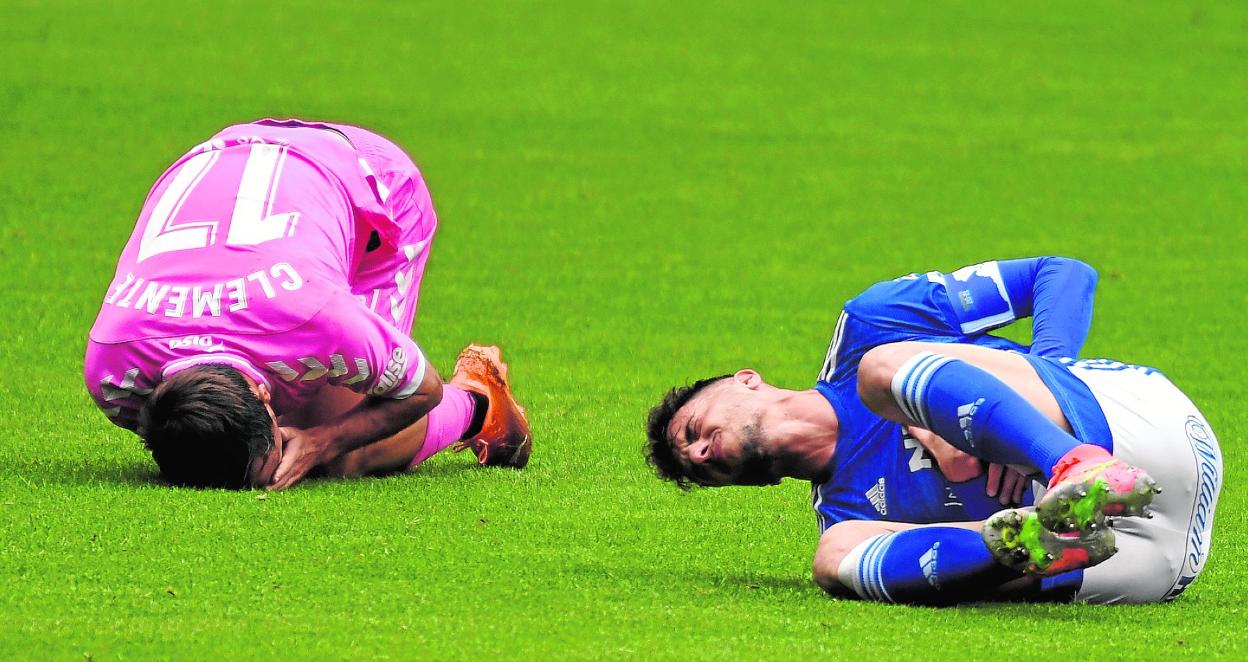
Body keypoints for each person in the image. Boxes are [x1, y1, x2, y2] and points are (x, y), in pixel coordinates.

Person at [645, 257, 1222, 604]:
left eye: (693, 428)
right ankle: (1029, 539)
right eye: (699, 464)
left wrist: (1030, 399)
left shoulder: (868, 326)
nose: (698, 451)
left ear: (746, 380)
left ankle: (1074, 464)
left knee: (882, 370)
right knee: (833, 560)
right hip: (1143, 560)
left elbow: (1062, 274)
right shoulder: (849, 519)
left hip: (1142, 424)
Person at [85, 119, 531, 490]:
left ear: (264, 394)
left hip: (374, 190)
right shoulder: (113, 370)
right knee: (309, 414)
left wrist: (323, 440)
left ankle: (477, 403)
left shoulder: (316, 318)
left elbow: (420, 388)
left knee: (345, 453)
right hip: (231, 154)